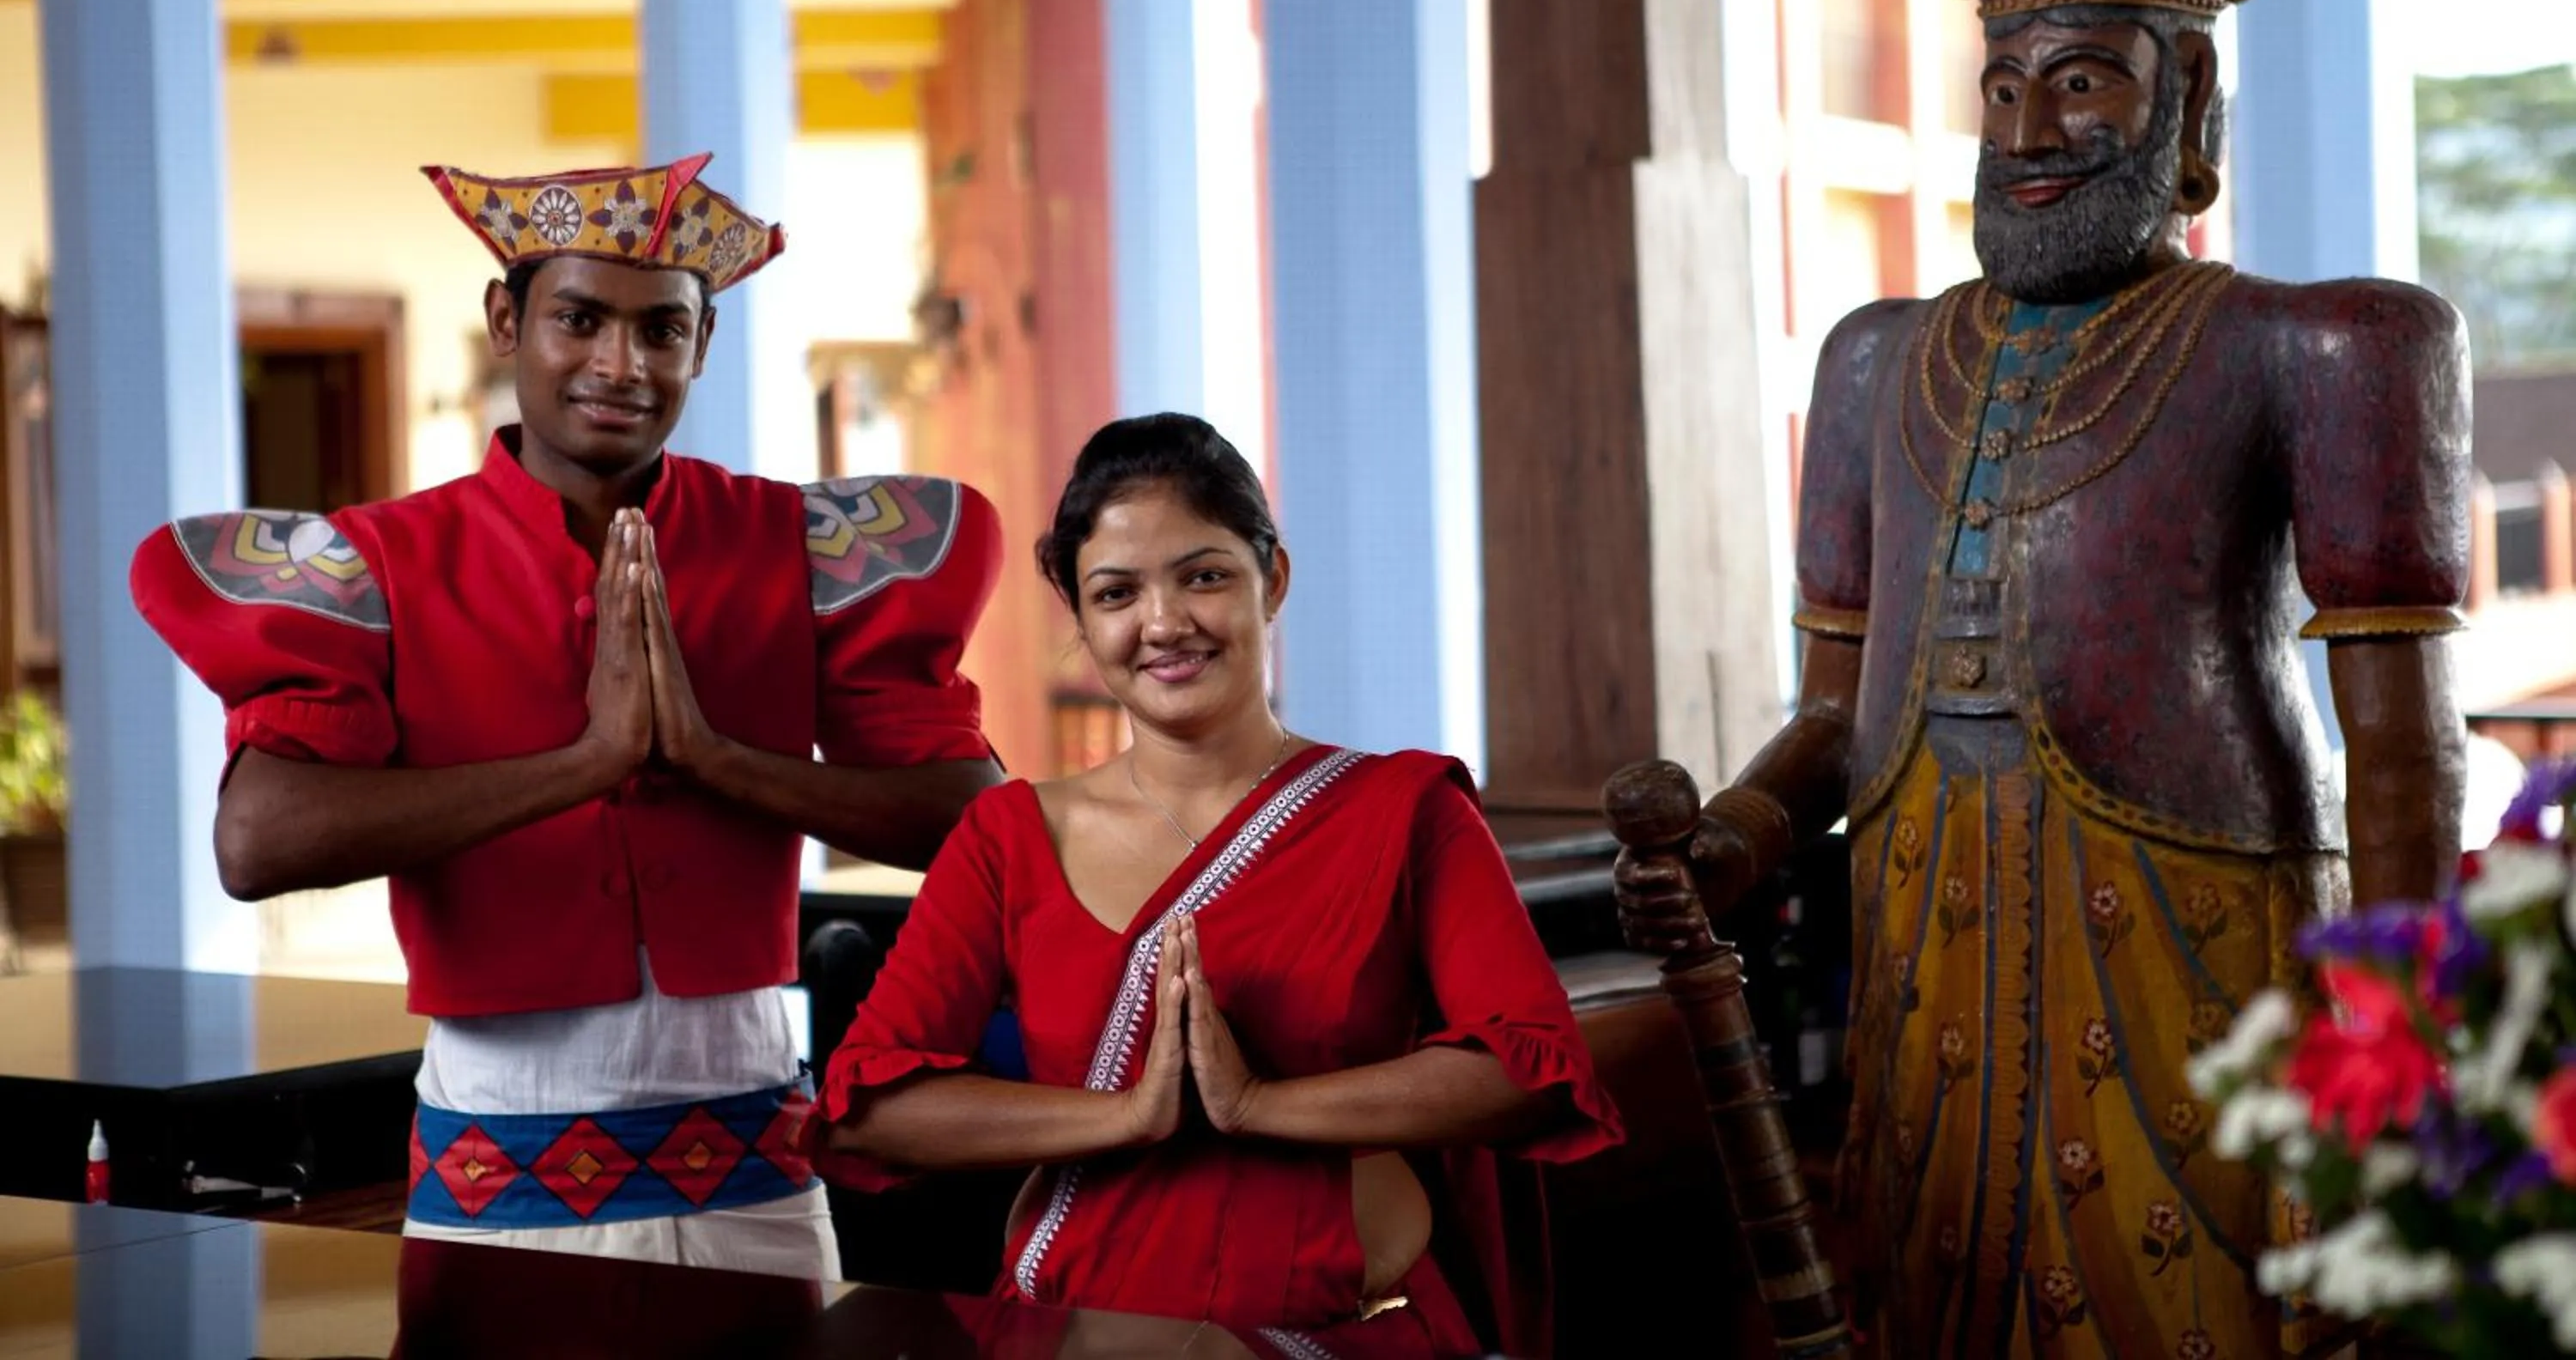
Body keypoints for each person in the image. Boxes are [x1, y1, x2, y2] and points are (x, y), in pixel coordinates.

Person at [1615, 0, 2470, 1357]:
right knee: (1936, 1284)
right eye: (2007, 88)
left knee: (2212, 1302)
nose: (2035, 129)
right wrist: (1736, 835)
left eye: (2087, 83)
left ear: (2194, 109)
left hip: (2194, 902)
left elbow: (2405, 750)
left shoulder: (2328, 344)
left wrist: (2400, 1047)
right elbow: (1832, 712)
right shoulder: (1875, 363)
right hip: (1927, 912)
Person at [129, 153, 1004, 1280]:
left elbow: (974, 819)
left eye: (660, 331)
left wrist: (714, 757)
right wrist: (591, 759)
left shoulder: (799, 546)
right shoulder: (385, 565)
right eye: (579, 319)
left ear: (703, 345)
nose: (619, 364)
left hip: (760, 1181)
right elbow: (257, 843)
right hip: (496, 1184)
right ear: (507, 320)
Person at [813, 413, 1620, 1352]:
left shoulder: (1404, 809)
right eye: (1117, 592)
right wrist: (1124, 1115)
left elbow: (1529, 1064)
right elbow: (870, 1106)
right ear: (1079, 616)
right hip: (1069, 1329)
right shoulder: (1008, 835)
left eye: (1204, 574)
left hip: (1343, 1327)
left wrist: (1258, 1105)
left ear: (1271, 578)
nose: (1165, 623)